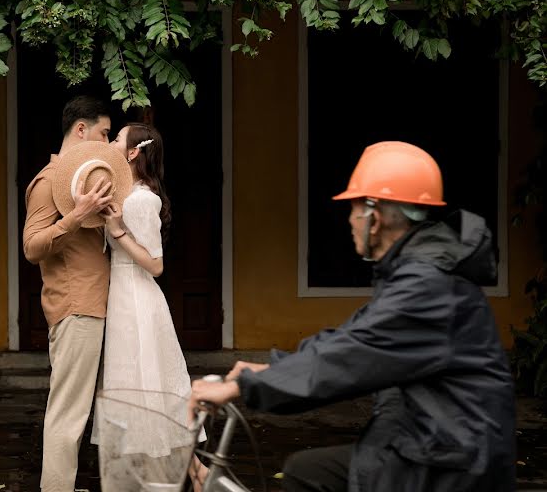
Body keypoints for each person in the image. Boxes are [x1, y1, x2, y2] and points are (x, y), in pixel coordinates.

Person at [189, 141, 517, 492]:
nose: (349, 219)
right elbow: (350, 337)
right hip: (438, 438)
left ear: (372, 218)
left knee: (307, 472)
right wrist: (273, 369)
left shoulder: (427, 285)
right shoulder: (421, 271)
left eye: (353, 208)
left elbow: (349, 356)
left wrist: (243, 386)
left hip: (455, 460)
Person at [92, 122, 208, 489]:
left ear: (132, 152)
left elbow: (156, 264)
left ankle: (192, 472)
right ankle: (191, 474)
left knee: (148, 388)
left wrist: (118, 231)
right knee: (136, 390)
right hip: (123, 297)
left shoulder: (143, 199)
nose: (110, 143)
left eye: (116, 139)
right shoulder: (125, 194)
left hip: (138, 300)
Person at [23, 95, 115, 492]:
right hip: (77, 309)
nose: (108, 141)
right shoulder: (48, 182)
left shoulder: (86, 178)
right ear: (81, 129)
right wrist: (75, 217)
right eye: (104, 133)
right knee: (69, 413)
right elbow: (31, 247)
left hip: (101, 305)